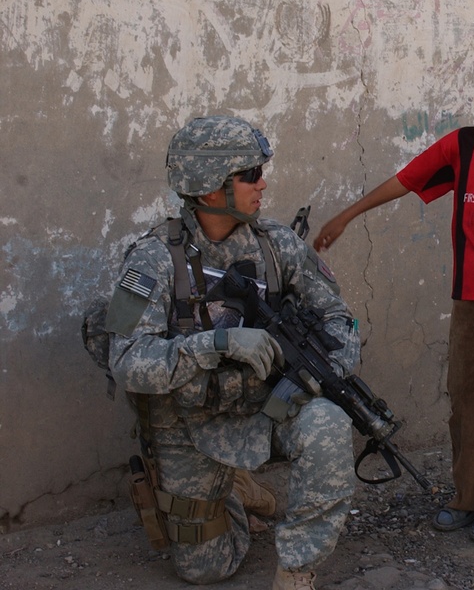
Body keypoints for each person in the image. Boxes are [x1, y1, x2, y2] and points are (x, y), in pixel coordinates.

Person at [313, 62, 474, 542]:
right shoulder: (461, 146)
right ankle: (466, 495)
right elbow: (405, 181)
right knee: (465, 401)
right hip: (470, 299)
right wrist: (348, 215)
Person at [105, 116, 358, 590]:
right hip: (188, 421)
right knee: (205, 570)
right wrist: (215, 343)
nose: (263, 184)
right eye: (250, 175)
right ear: (207, 188)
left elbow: (340, 320)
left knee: (329, 422)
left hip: (268, 408)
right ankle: (234, 488)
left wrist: (322, 374)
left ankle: (297, 568)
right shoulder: (153, 259)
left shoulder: (277, 244)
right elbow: (127, 361)